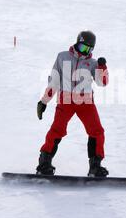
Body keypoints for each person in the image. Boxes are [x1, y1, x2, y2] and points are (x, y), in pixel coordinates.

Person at [36, 31, 109, 177]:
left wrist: (102, 68)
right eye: (83, 48)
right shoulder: (62, 57)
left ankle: (95, 166)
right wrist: (44, 101)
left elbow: (102, 83)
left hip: (85, 101)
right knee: (57, 130)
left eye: (89, 50)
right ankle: (44, 164)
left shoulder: (93, 63)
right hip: (66, 100)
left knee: (97, 131)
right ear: (77, 43)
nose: (85, 52)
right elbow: (54, 81)